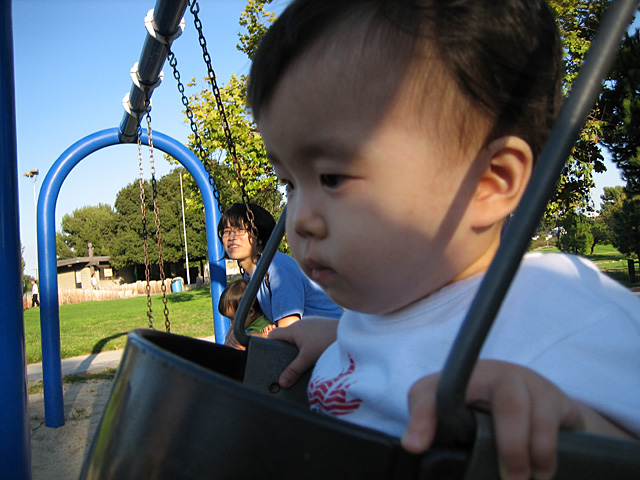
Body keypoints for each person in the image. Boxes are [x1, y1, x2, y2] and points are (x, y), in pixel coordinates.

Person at [245, 1, 640, 479]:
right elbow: (417, 340)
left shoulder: (561, 310)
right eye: (289, 182)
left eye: (330, 176)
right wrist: (336, 340)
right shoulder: (386, 302)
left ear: (489, 183)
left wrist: (573, 423)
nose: (300, 219)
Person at [218, 203, 343, 346]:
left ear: (258, 233)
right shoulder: (251, 276)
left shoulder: (278, 268)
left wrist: (247, 338)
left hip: (335, 344)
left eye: (240, 229)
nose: (231, 237)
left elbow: (288, 331)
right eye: (227, 231)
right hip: (312, 343)